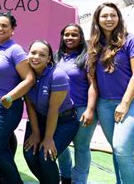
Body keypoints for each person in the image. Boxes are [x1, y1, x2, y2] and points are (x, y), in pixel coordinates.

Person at [87, 2, 134, 184]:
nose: (109, 19)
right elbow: (93, 79)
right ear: (97, 20)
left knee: (122, 149)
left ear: (119, 18)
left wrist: (125, 104)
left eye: (113, 15)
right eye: (104, 16)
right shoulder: (94, 45)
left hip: (133, 102)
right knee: (116, 150)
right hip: (104, 104)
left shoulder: (132, 41)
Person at [0, 11, 35, 184]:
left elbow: (30, 79)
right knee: (1, 146)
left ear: (12, 30)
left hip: (6, 105)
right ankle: (5, 179)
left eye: (4, 25)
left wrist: (10, 97)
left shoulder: (15, 50)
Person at [23, 40, 79, 184]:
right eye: (33, 53)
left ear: (49, 58)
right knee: (30, 155)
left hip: (64, 122)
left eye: (42, 55)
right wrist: (35, 133)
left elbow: (53, 110)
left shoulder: (58, 75)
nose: (36, 57)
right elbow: (30, 106)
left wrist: (48, 138)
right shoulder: (26, 74)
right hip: (39, 121)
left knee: (45, 157)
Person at [55, 24, 97, 184]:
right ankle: (65, 176)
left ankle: (79, 181)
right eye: (66, 34)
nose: (69, 38)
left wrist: (90, 109)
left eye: (74, 35)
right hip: (60, 111)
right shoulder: (56, 57)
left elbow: (93, 85)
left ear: (80, 38)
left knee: (81, 147)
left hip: (81, 109)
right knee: (62, 146)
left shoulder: (87, 58)